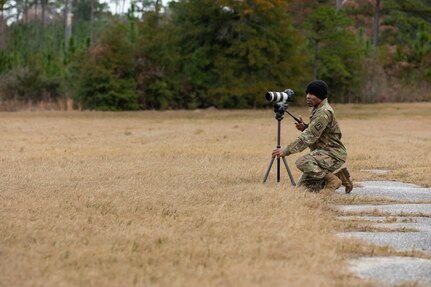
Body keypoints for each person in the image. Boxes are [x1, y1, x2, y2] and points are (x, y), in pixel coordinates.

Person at [272, 80, 353, 193]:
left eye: (311, 94)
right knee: (303, 190)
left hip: (332, 153)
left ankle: (332, 181)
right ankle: (340, 174)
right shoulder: (317, 109)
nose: (308, 97)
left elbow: (309, 136)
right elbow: (317, 132)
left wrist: (286, 150)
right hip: (322, 153)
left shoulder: (323, 112)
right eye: (307, 93)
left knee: (302, 162)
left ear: (320, 95)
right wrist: (305, 127)